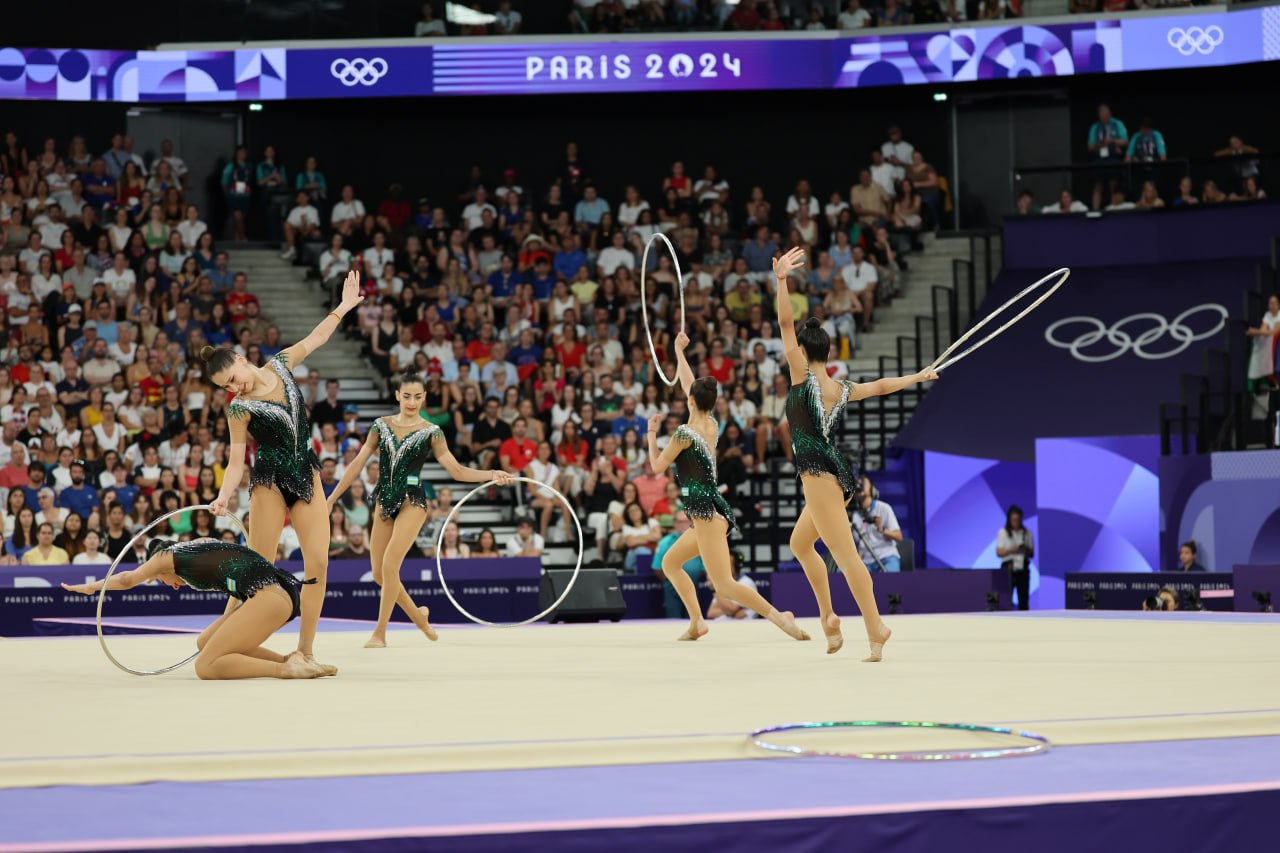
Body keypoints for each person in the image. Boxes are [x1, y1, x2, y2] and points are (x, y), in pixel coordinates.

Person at [773, 247, 935, 660]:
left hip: (819, 476)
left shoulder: (801, 375)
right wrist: (916, 377)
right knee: (800, 544)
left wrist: (781, 280)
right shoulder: (839, 388)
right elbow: (879, 386)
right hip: (830, 475)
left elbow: (785, 322)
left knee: (846, 558)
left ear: (803, 352)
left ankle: (875, 626)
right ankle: (828, 617)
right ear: (828, 353)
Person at [205, 270, 363, 668]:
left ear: (242, 360)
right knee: (257, 567)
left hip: (306, 474)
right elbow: (236, 461)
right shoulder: (238, 409)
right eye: (226, 387)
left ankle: (305, 651)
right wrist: (224, 496)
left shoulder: (282, 364)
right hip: (269, 482)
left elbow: (317, 338)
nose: (234, 388)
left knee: (319, 563)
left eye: (233, 379)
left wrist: (344, 307)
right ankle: (225, 634)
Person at [327, 371, 512, 649]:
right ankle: (419, 616)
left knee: (390, 565)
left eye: (417, 397)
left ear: (424, 397)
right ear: (397, 396)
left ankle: (380, 633)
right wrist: (332, 498)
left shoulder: (431, 432)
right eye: (407, 396)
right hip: (384, 500)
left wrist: (491, 474)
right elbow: (357, 464)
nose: (412, 402)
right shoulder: (380, 425)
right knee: (378, 574)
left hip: (412, 501)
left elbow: (457, 470)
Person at [645, 331, 809, 643]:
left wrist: (651, 434)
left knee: (723, 584)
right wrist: (679, 352)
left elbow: (656, 467)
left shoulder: (683, 434)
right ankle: (697, 622)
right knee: (671, 563)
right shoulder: (711, 424)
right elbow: (690, 386)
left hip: (706, 513)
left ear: (691, 401)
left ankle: (779, 618)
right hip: (707, 511)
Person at [61, 538, 333, 679]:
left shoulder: (166, 557)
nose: (173, 586)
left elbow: (127, 579)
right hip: (274, 596)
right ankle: (291, 660)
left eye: (162, 580)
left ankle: (284, 671)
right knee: (205, 641)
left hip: (269, 596)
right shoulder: (198, 546)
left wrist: (92, 587)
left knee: (206, 666)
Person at [850, 476, 903, 573]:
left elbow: (899, 536)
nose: (859, 485)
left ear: (872, 489)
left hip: (886, 557)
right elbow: (859, 543)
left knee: (888, 578)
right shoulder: (855, 516)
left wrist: (882, 530)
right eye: (858, 484)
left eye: (862, 483)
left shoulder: (884, 508)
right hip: (866, 561)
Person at [996, 504, 1034, 610]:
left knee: (1023, 600)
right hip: (1008, 567)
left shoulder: (1027, 533)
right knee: (1005, 599)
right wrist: (1012, 550)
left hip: (1022, 567)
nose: (1016, 522)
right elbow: (999, 552)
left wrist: (1024, 549)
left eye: (1018, 519)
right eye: (1014, 520)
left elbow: (1032, 553)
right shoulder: (1003, 532)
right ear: (1009, 519)